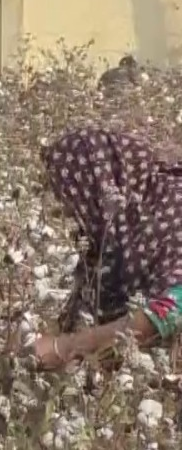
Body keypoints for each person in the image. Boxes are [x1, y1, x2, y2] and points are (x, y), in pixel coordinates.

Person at [27, 128, 182, 371]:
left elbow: (171, 310)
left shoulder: (172, 213)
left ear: (99, 185)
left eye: (70, 196)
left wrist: (65, 347)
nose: (65, 211)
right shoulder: (129, 224)